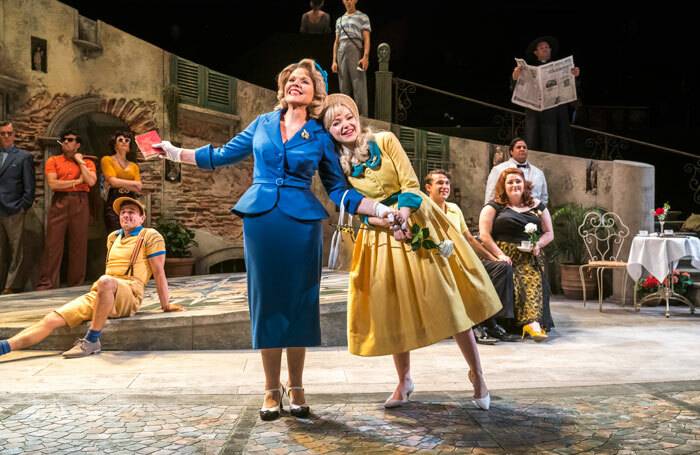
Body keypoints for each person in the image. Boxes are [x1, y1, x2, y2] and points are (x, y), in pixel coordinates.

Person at [155, 59, 381, 421]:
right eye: (291, 80)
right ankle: (270, 388)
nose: (296, 84)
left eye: (304, 81)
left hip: (302, 223)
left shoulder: (320, 136)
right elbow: (223, 155)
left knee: (300, 302)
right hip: (261, 220)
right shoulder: (262, 123)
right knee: (266, 301)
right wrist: (174, 153)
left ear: (314, 92)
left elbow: (338, 190)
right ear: (283, 88)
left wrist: (376, 209)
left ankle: (297, 386)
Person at [322, 94, 502, 411]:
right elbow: (354, 207)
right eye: (335, 123)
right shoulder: (339, 164)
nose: (344, 125)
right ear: (329, 131)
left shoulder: (385, 140)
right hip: (380, 236)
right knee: (393, 308)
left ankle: (477, 374)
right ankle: (404, 381)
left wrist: (402, 215)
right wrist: (383, 220)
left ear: (356, 117)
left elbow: (410, 183)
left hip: (416, 220)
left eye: (347, 117)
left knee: (448, 298)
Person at [0, 197, 185, 360]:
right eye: (123, 212)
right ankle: (5, 347)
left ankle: (91, 340)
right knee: (51, 319)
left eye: (132, 212)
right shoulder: (113, 237)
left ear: (142, 218)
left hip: (130, 293)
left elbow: (159, 272)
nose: (126, 215)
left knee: (105, 280)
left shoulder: (150, 236)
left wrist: (165, 305)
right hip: (102, 292)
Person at [424, 169, 519, 344]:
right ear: (428, 187)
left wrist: (494, 258)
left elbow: (469, 239)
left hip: (463, 262)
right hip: (440, 265)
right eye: (440, 183)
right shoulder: (424, 211)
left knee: (502, 267)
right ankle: (478, 326)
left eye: (447, 183)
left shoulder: (454, 209)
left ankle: (488, 321)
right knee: (470, 279)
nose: (445, 186)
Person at [479, 168, 555, 341]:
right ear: (503, 186)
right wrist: (499, 255)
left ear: (525, 184)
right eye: (510, 182)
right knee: (515, 278)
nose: (515, 185)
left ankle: (533, 323)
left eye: (518, 181)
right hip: (504, 255)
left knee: (532, 277)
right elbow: (484, 235)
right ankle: (521, 324)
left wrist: (538, 244)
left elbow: (549, 233)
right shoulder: (494, 206)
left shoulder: (537, 205)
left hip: (529, 255)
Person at [36, 130, 97, 291]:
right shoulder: (53, 160)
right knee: (52, 242)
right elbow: (53, 184)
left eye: (69, 140)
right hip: (60, 200)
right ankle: (47, 282)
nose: (65, 142)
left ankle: (76, 283)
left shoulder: (88, 162)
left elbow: (90, 181)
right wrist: (77, 181)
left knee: (79, 242)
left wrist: (80, 162)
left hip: (80, 201)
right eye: (63, 139)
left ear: (77, 145)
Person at [511, 36, 580, 156]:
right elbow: (517, 89)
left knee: (555, 142)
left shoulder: (560, 67)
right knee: (534, 141)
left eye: (547, 47)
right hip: (535, 113)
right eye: (541, 47)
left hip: (556, 112)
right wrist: (515, 77)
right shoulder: (528, 69)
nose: (545, 49)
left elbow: (573, 88)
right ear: (536, 53)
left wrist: (575, 75)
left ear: (550, 50)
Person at [0, 121, 35, 295]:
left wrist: (23, 206)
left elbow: (30, 185)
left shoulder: (23, 156)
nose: (6, 136)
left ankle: (11, 285)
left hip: (13, 208)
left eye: (9, 133)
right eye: (3, 133)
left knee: (16, 250)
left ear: (14, 135)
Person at [331, 0, 370, 117]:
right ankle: (345, 115)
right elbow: (336, 42)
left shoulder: (362, 17)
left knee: (358, 84)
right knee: (343, 85)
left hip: (355, 48)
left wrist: (365, 57)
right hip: (341, 50)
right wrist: (334, 60)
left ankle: (362, 116)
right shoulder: (339, 20)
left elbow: (367, 39)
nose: (348, 1)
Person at [485, 137, 548, 206]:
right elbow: (490, 194)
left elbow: (544, 198)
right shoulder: (498, 169)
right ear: (511, 152)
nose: (522, 149)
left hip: (533, 213)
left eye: (524, 147)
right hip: (506, 213)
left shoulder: (539, 173)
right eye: (519, 147)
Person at [101, 130, 142, 233]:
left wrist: (118, 182)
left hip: (130, 199)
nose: (124, 141)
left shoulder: (133, 165)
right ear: (115, 145)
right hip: (113, 199)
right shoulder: (107, 160)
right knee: (115, 234)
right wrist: (133, 183)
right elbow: (113, 181)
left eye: (127, 140)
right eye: (120, 140)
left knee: (131, 235)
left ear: (129, 146)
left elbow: (139, 188)